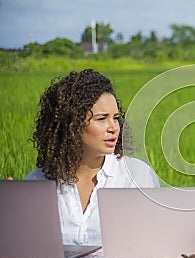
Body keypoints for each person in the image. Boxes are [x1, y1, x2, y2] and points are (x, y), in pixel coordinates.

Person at [26, 69, 159, 246]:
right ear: (71, 124)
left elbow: (154, 242)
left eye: (116, 118)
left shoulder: (137, 176)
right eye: (102, 118)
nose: (114, 127)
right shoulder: (37, 182)